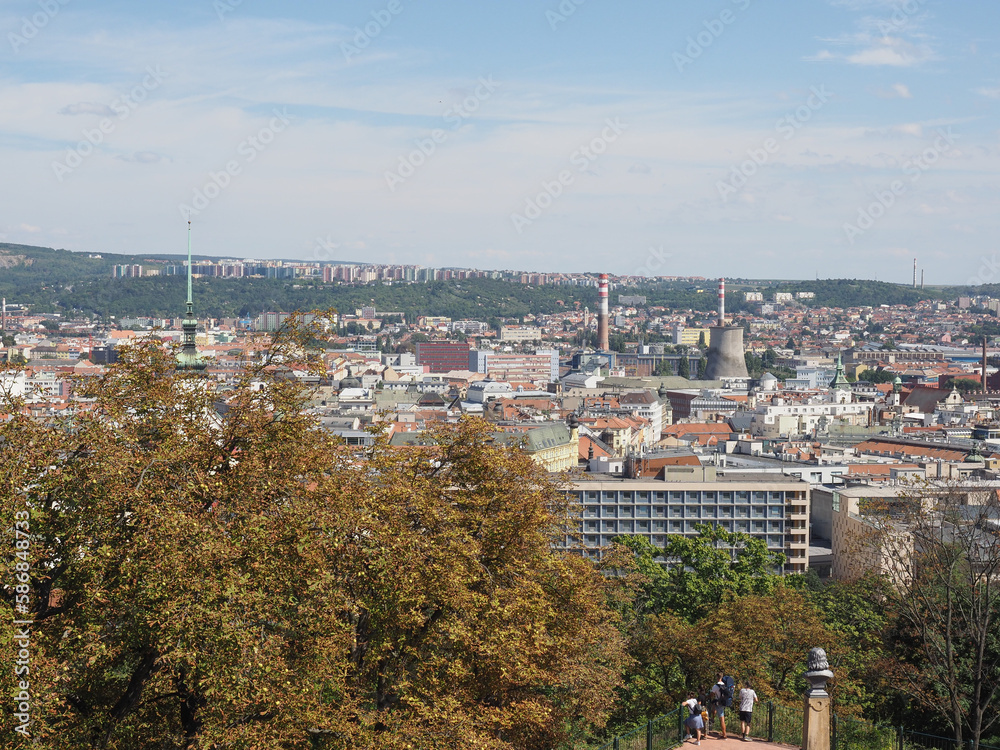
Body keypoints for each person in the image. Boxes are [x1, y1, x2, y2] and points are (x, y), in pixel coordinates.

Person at [709, 673, 728, 739]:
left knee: (722, 720)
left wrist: (708, 696)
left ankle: (724, 735)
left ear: (717, 678)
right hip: (723, 702)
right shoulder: (725, 685)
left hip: (718, 702)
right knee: (714, 709)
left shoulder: (715, 686)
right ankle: (712, 718)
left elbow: (712, 694)